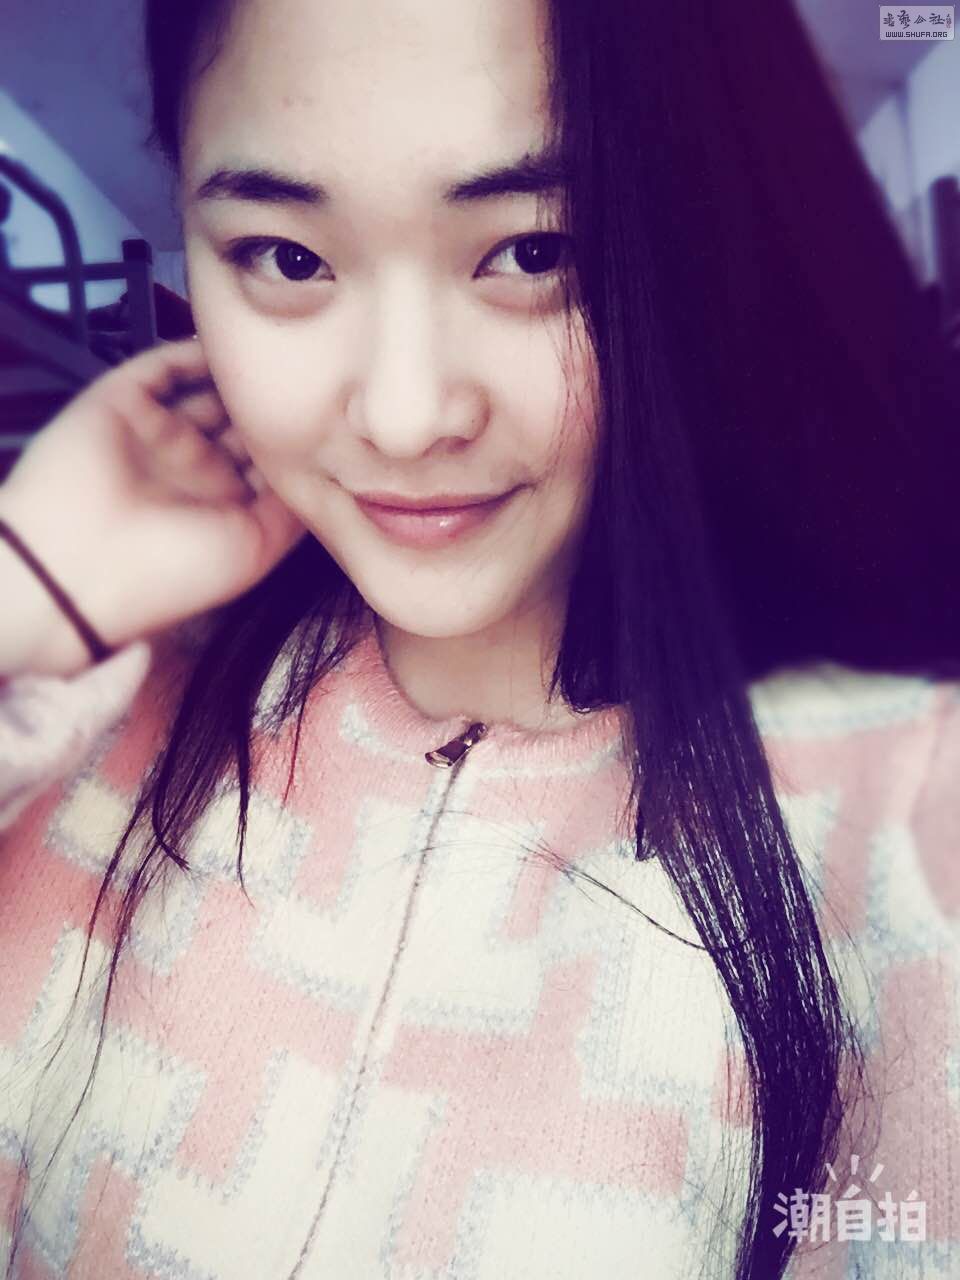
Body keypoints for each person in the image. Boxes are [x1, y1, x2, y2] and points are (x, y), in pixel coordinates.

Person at [0, 0, 957, 1277]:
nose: (405, 416)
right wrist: (28, 588)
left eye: (534, 248)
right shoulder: (81, 704)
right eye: (286, 257)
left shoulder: (908, 819)